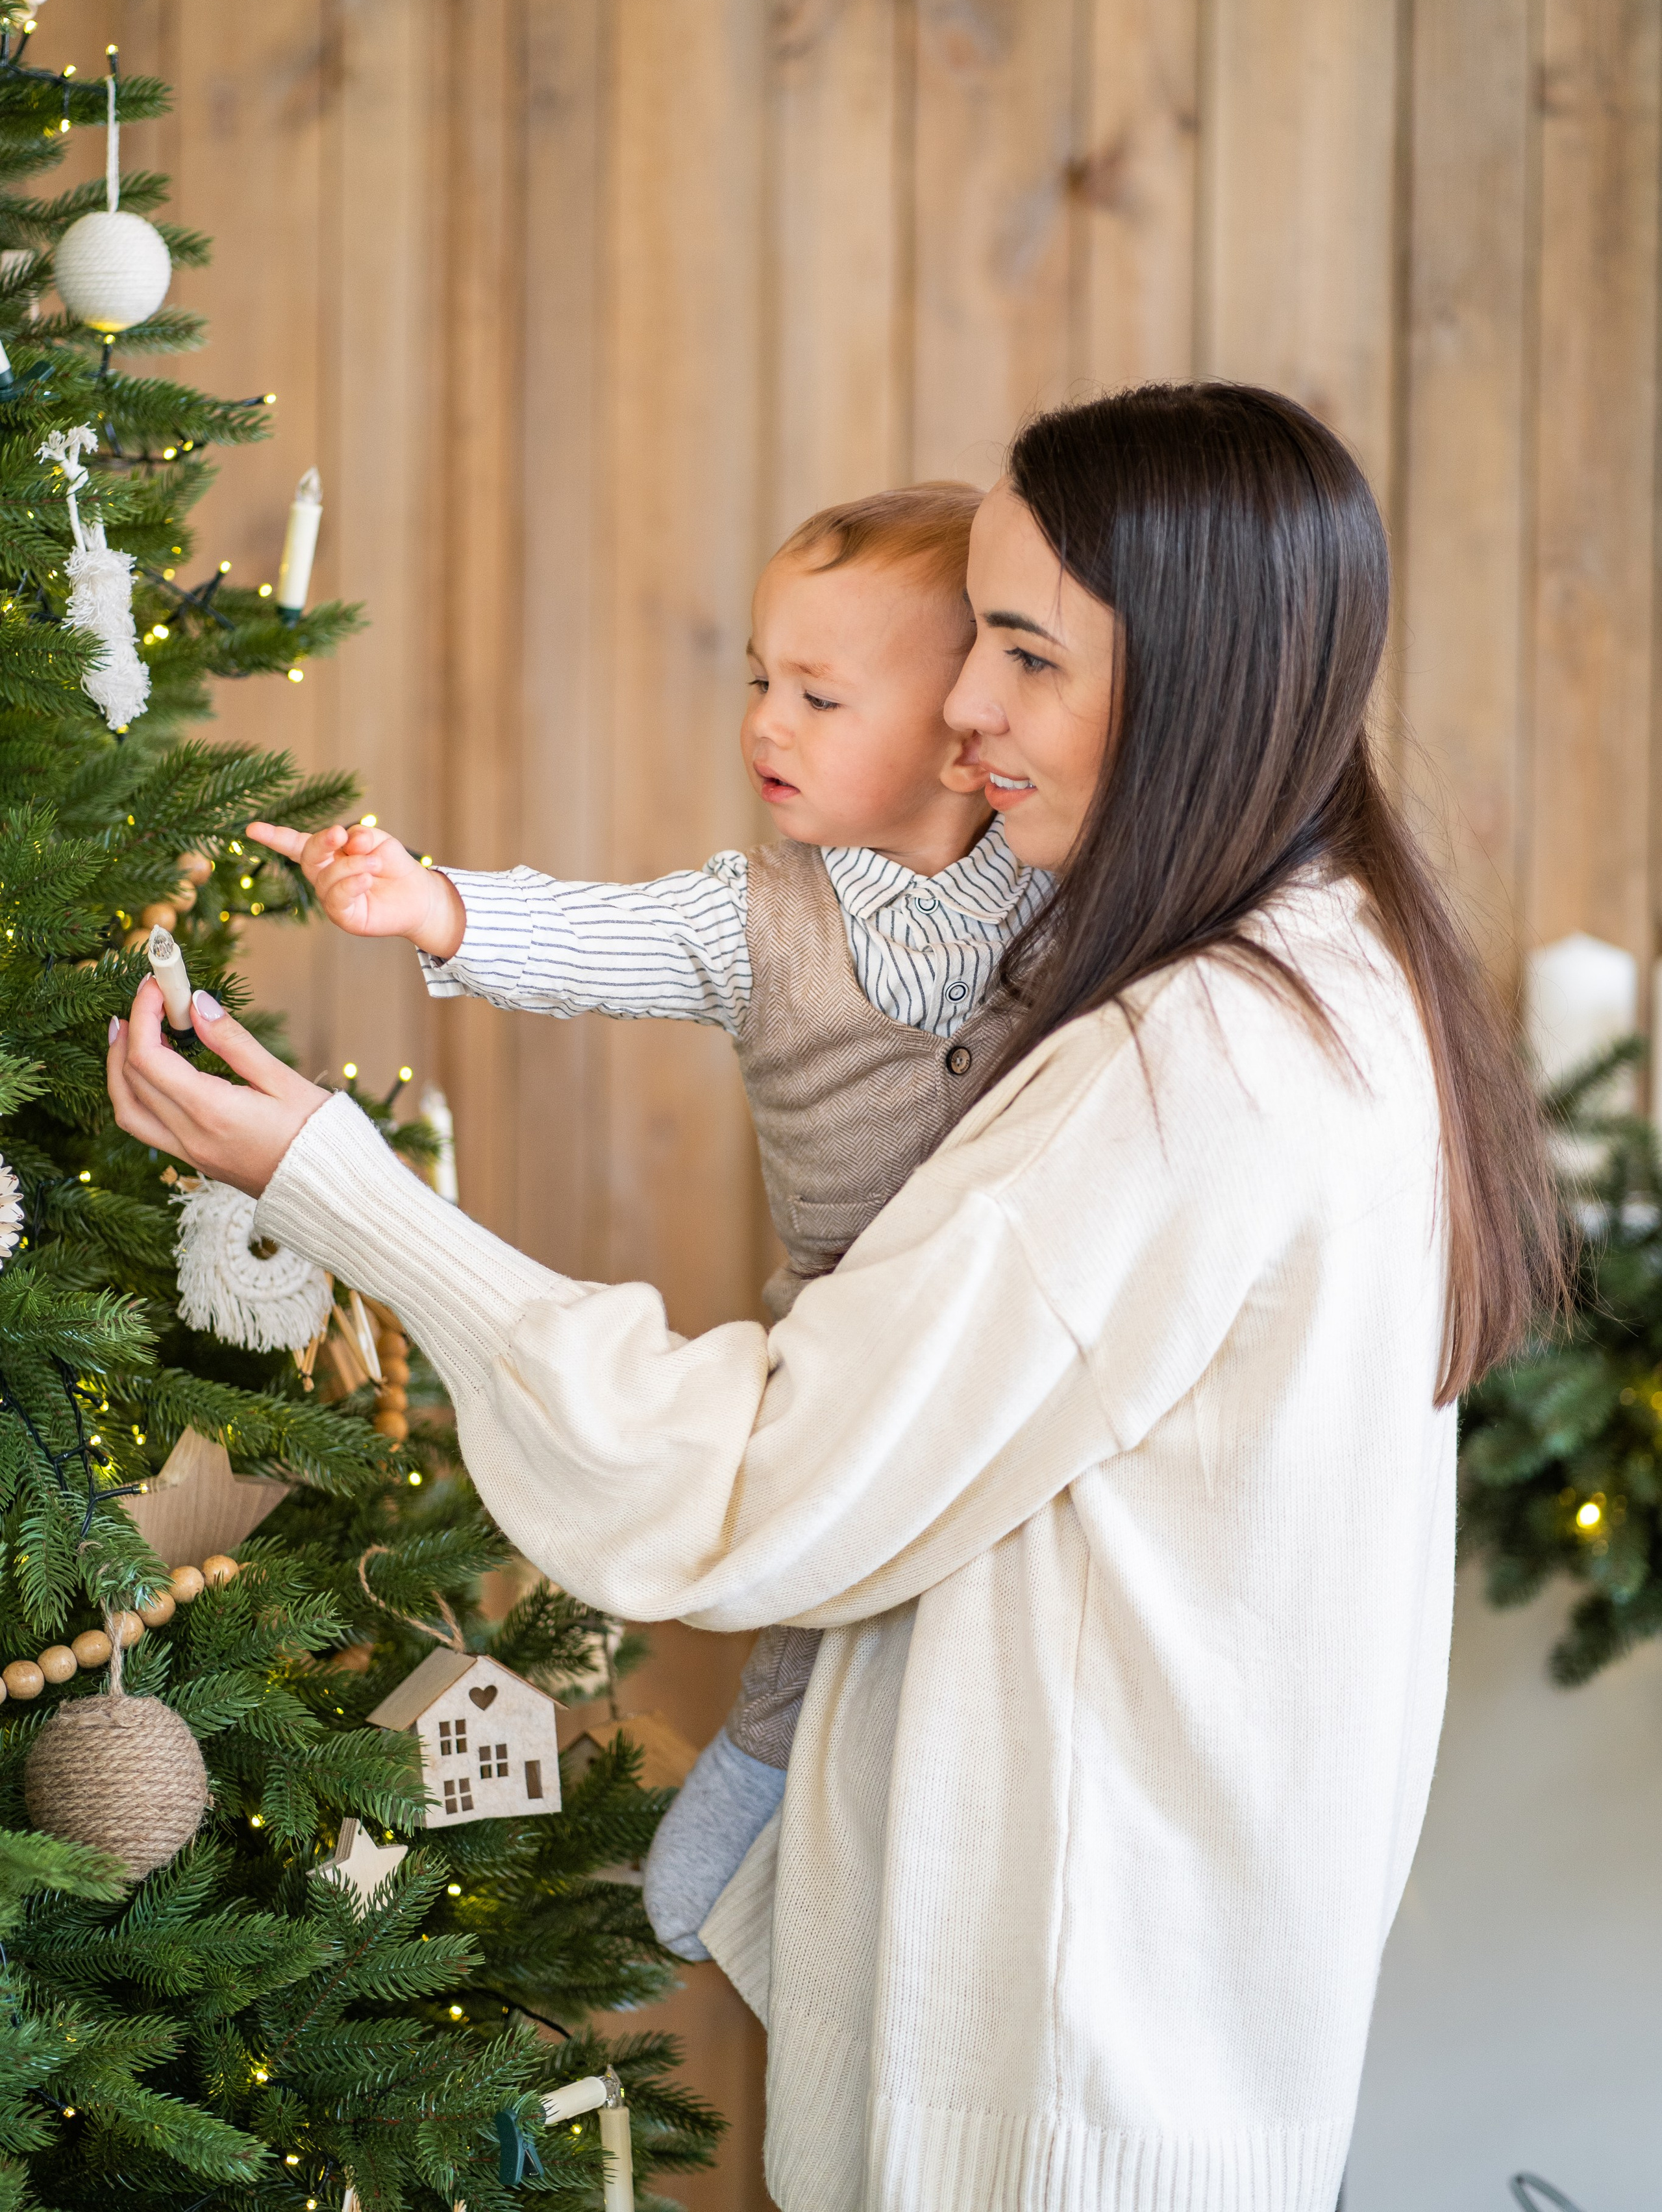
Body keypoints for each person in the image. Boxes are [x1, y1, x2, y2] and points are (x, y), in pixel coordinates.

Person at [111, 383, 1561, 2212]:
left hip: (1057, 2078)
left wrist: (333, 1185)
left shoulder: (1196, 1074)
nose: (962, 710)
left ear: (1196, 687)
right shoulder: (1333, 970)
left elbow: (761, 1478)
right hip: (1150, 2035)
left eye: (1023, 658)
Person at [242, 482, 1053, 1961]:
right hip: (845, 1344)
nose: (763, 724)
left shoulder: (1067, 892)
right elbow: (599, 935)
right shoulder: (751, 917)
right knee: (812, 1572)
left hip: (1007, 1344)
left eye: (816, 695)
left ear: (962, 722)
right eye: (756, 680)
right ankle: (758, 1759)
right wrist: (431, 907)